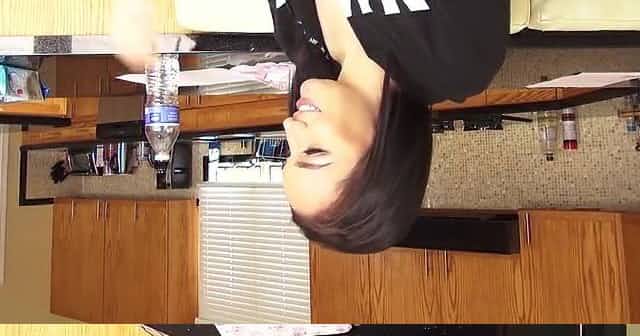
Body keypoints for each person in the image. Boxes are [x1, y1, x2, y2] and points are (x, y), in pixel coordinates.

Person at [113, 0, 508, 253]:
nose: (291, 127)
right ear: (382, 160)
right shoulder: (455, 59)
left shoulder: (300, 38)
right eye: (315, 152)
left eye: (290, 151)